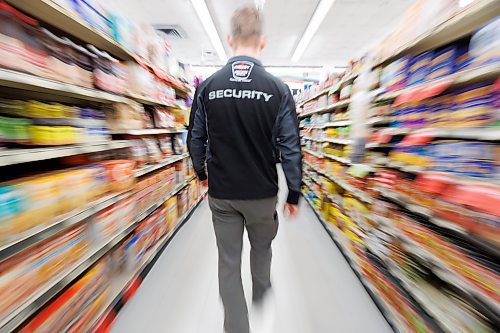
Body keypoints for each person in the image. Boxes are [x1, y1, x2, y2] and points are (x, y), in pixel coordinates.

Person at [188, 5, 302, 333]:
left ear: (228, 39)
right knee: (262, 248)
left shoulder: (208, 86)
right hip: (263, 195)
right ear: (262, 42)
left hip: (222, 194)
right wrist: (293, 192)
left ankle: (237, 328)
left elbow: (195, 139)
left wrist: (201, 174)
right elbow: (291, 146)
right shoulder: (278, 90)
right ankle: (262, 296)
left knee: (228, 264)